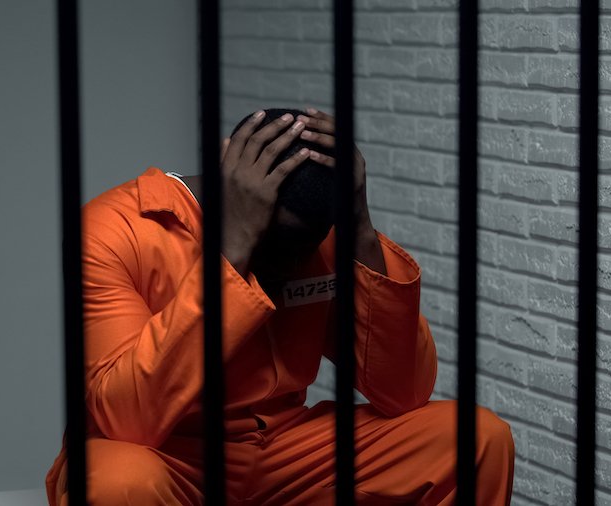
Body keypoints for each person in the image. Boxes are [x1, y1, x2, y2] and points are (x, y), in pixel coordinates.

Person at [45, 108, 515, 505]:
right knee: (113, 483)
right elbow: (126, 421)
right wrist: (234, 251)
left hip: (286, 452)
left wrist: (360, 229)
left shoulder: (316, 233)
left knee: (475, 439)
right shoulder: (115, 230)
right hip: (171, 458)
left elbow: (403, 393)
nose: (291, 262)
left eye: (302, 245)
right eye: (277, 241)